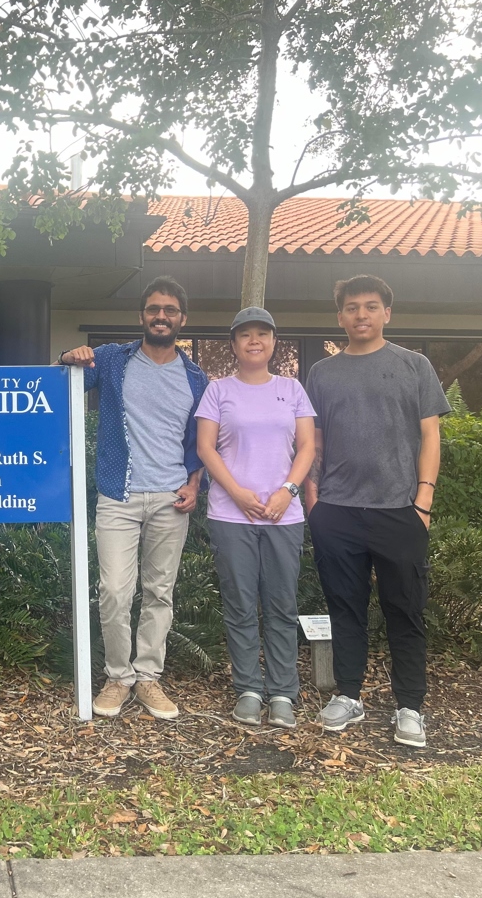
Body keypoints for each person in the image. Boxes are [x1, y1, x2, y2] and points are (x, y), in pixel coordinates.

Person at [304, 275, 450, 748]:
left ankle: (410, 706)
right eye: (351, 307)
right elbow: (316, 442)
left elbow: (431, 435)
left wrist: (423, 502)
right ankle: (349, 695)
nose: (360, 315)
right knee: (345, 608)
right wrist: (314, 499)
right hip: (337, 513)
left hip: (399, 511)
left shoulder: (414, 365)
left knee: (404, 611)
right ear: (340, 316)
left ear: (387, 312)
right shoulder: (322, 373)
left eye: (370, 306)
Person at [59, 276, 208, 720]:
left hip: (170, 498)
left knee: (159, 592)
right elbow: (61, 386)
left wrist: (194, 483)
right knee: (115, 591)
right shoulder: (111, 359)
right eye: (153, 309)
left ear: (183, 319)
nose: (161, 316)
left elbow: (200, 440)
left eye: (170, 310)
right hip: (118, 494)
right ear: (142, 315)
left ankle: (148, 677)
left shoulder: (196, 377)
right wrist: (68, 357)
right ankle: (118, 677)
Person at [196, 307, 316, 729]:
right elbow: (206, 448)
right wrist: (238, 493)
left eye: (262, 334)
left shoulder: (292, 389)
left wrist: (288, 491)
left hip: (285, 516)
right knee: (241, 604)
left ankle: (283, 692)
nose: (253, 341)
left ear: (273, 343)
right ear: (233, 345)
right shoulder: (217, 391)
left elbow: (306, 448)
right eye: (244, 334)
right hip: (231, 515)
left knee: (281, 605)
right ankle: (247, 687)